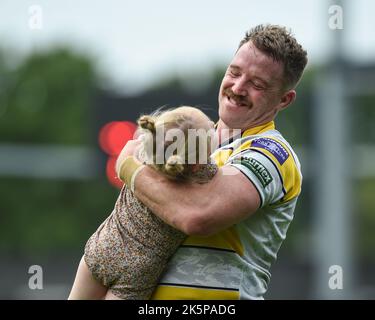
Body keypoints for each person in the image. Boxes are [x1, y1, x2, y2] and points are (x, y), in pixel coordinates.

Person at [118, 24, 308, 300]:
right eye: (234, 72)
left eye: (257, 84)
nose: (238, 87)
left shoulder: (271, 152)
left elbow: (198, 218)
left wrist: (128, 167)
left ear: (284, 100)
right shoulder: (194, 138)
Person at [68, 106, 218, 300]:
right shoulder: (204, 175)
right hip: (138, 271)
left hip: (103, 246)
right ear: (197, 162)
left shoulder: (140, 152)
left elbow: (130, 149)